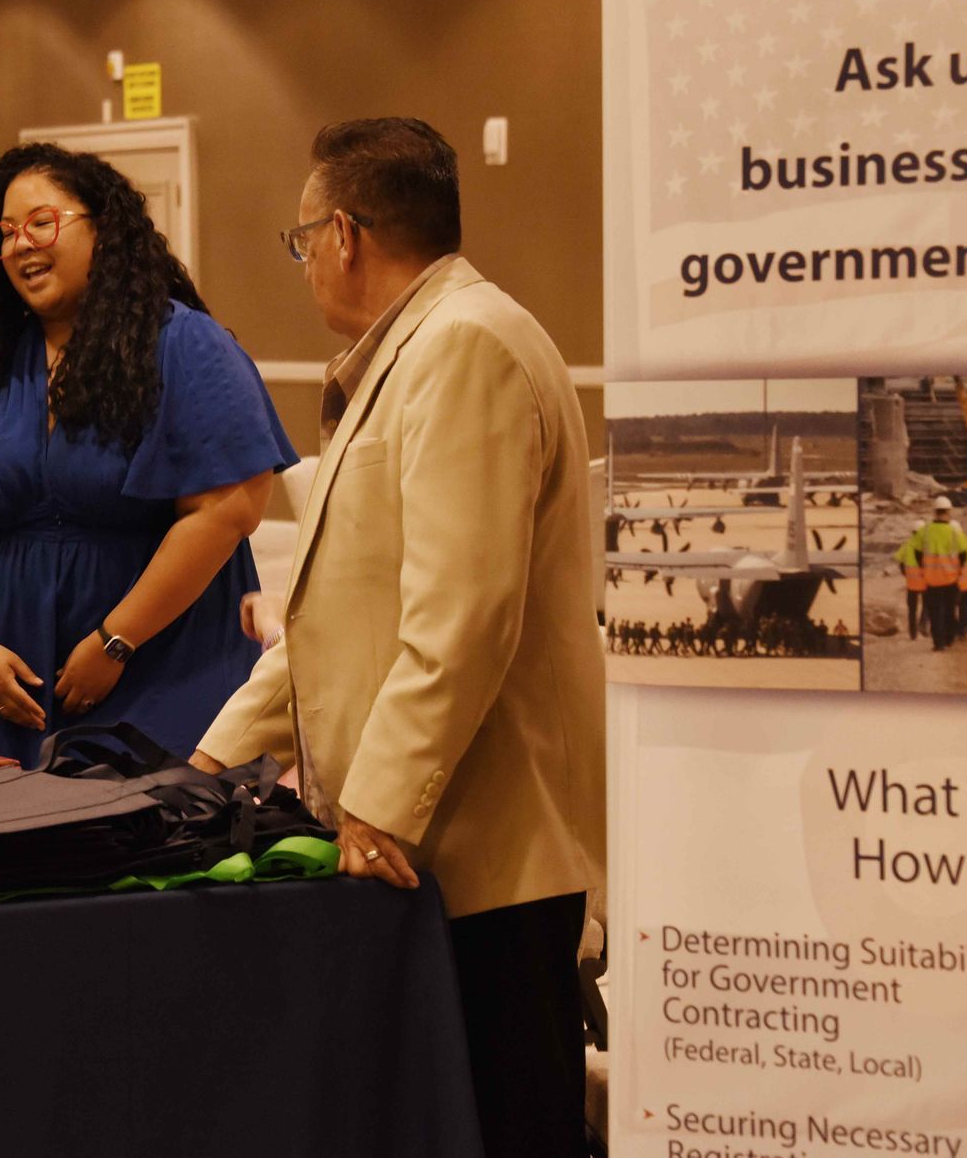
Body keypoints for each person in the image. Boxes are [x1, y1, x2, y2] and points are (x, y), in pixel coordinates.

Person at [189, 119, 604, 1157]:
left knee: (508, 1128)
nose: (306, 265)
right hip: (431, 847)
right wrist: (211, 761)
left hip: (488, 859)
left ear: (344, 234)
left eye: (300, 242)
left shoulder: (465, 346)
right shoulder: (410, 352)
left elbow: (461, 615)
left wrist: (374, 807)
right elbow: (336, 612)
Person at [0, 143, 296, 766]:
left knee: (147, 849)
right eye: (4, 233)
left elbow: (229, 508)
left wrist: (116, 641)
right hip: (15, 685)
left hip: (165, 667)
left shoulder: (184, 344)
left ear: (104, 229)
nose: (21, 245)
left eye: (42, 222)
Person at [917, 496, 967, 651]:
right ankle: (949, 639)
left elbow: (917, 553)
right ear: (948, 512)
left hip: (931, 580)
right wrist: (959, 571)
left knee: (935, 612)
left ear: (934, 512)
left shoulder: (924, 531)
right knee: (949, 610)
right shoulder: (954, 532)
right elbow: (964, 554)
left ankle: (938, 643)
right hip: (951, 579)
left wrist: (924, 569)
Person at [893, 519, 926, 640]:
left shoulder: (907, 544)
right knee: (927, 605)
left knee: (912, 609)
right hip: (925, 581)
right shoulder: (925, 545)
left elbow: (899, 560)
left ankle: (913, 634)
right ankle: (923, 626)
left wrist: (905, 572)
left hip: (911, 582)